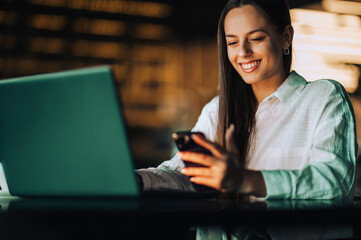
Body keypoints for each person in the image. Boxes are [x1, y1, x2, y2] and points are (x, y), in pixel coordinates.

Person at [136, 0, 357, 200]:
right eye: (232, 42)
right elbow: (181, 172)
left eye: (256, 38)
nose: (243, 52)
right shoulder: (217, 109)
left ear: (286, 37)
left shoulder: (323, 98)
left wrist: (243, 180)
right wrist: (134, 180)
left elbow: (332, 180)